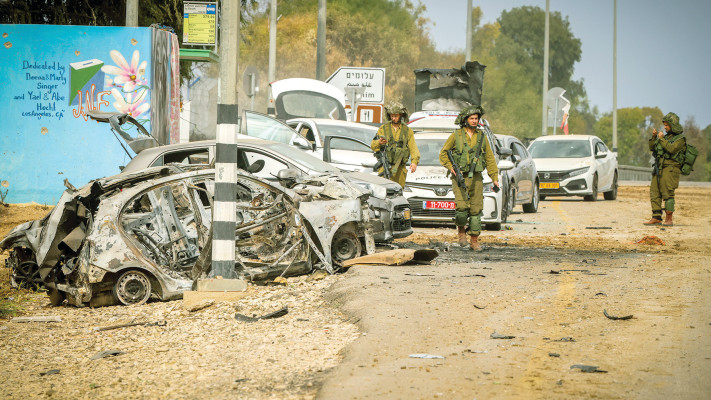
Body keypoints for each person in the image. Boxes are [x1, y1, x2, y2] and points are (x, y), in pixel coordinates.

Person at [439, 105, 499, 251]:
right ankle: (461, 231)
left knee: (476, 209)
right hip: (459, 177)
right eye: (471, 118)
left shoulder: (482, 137)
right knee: (461, 207)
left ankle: (474, 240)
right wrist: (450, 167)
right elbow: (443, 153)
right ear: (465, 120)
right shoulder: (456, 136)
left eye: (476, 118)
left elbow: (490, 159)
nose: (474, 121)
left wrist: (494, 177)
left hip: (476, 178)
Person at [644, 112, 686, 227]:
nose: (665, 127)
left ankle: (669, 218)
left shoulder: (680, 139)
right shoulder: (665, 137)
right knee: (654, 191)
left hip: (671, 169)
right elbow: (653, 148)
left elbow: (671, 149)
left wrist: (661, 139)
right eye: (664, 125)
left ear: (673, 125)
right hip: (659, 167)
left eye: (667, 125)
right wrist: (654, 137)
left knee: (668, 193)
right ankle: (656, 217)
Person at [370, 101, 420, 188]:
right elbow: (373, 146)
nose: (393, 118)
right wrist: (379, 142)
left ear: (400, 115)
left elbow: (413, 148)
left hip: (400, 169)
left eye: (396, 116)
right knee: (383, 191)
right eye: (392, 116)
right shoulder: (383, 129)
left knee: (398, 191)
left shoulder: (407, 131)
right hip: (385, 167)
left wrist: (414, 162)